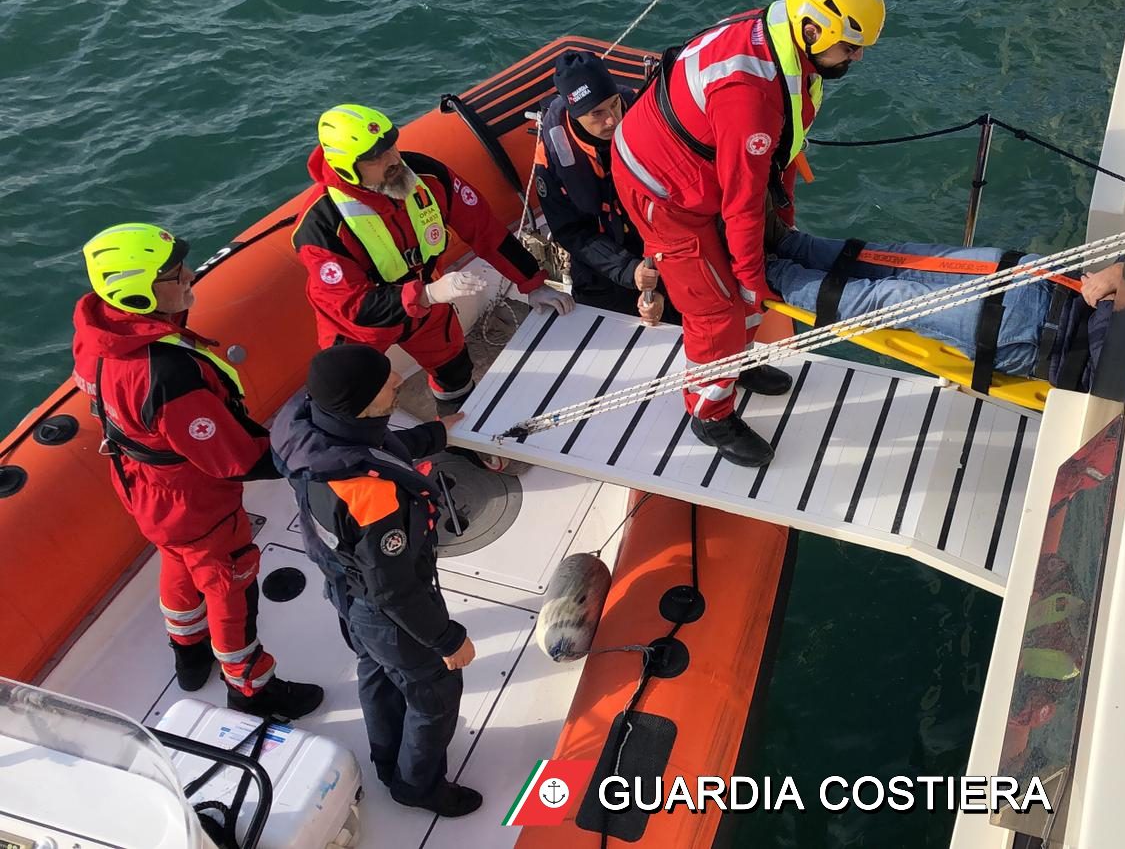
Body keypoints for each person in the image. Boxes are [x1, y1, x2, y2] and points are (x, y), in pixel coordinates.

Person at [611, 0, 887, 467]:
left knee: (754, 282)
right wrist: (747, 276)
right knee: (718, 309)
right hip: (666, 195)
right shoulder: (749, 92)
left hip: (703, 169)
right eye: (850, 47)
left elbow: (777, 155)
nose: (857, 58)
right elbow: (741, 199)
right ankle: (710, 414)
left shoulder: (783, 50)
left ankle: (737, 364)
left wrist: (777, 228)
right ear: (813, 28)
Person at [71, 223, 324, 719]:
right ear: (138, 293)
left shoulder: (98, 335)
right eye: (173, 273)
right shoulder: (167, 374)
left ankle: (188, 654)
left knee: (177, 561)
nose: (189, 275)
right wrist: (312, 453)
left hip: (141, 485)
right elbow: (238, 459)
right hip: (194, 501)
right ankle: (250, 685)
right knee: (229, 583)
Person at [271, 344, 481, 817]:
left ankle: (387, 758)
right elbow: (393, 589)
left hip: (343, 591)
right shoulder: (371, 495)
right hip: (381, 606)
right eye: (386, 382)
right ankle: (417, 786)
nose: (397, 384)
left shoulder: (314, 431)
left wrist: (434, 434)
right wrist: (448, 639)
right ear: (362, 403)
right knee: (434, 693)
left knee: (377, 670)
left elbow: (372, 448)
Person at [293, 103, 575, 416]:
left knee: (454, 369)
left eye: (390, 146)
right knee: (357, 398)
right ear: (347, 168)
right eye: (375, 157)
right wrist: (428, 294)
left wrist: (532, 282)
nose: (393, 159)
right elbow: (355, 307)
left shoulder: (427, 176)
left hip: (426, 305)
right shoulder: (322, 224)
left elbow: (484, 230)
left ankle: (458, 438)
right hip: (361, 328)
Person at [765, 228, 1123, 391]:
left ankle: (768, 271)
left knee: (890, 297)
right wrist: (1121, 270)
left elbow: (1114, 367)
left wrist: (1110, 296)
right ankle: (785, 242)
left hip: (1035, 333)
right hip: (1045, 278)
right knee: (892, 258)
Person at [534, 49, 679, 326]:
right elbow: (572, 232)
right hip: (599, 265)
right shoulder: (552, 157)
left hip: (659, 249)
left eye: (614, 104)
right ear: (575, 115)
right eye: (597, 113)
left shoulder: (648, 120)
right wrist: (629, 271)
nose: (612, 119)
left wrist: (657, 286)